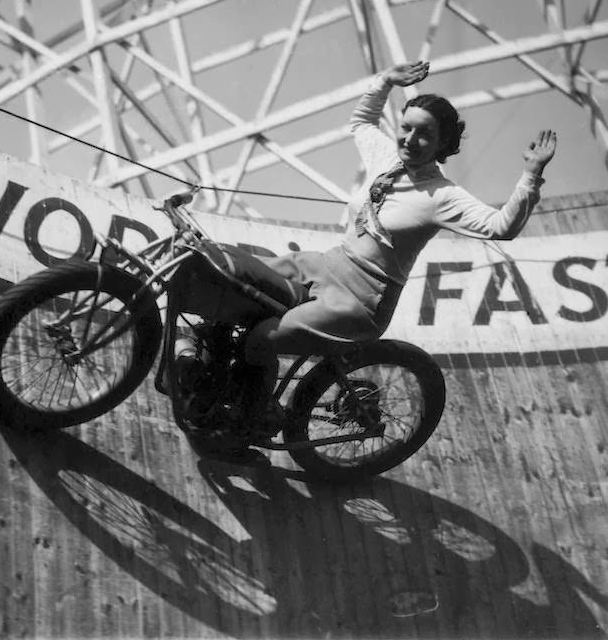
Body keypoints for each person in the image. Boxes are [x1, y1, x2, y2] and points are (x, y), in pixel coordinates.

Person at [228, 60, 557, 433]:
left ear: (442, 144)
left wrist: (531, 175)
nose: (410, 140)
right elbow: (362, 122)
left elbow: (502, 227)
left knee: (261, 339)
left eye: (424, 136)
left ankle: (244, 430)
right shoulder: (386, 159)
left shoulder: (442, 196)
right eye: (406, 128)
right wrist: (384, 82)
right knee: (227, 280)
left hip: (359, 300)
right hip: (327, 263)